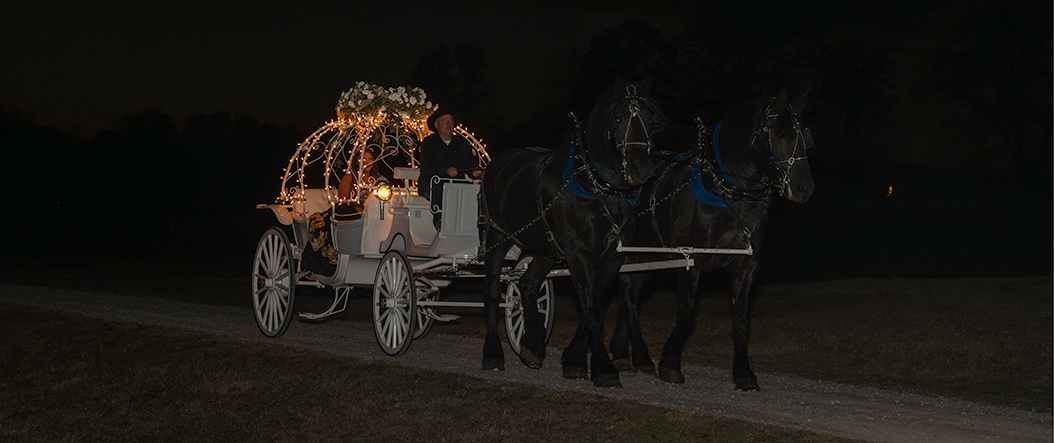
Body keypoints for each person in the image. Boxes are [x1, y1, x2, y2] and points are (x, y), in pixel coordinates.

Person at [418, 108, 482, 226]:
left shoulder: (461, 143)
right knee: (442, 188)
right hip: (432, 183)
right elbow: (427, 167)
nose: (449, 124)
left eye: (451, 121)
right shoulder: (429, 143)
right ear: (436, 125)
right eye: (444, 121)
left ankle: (472, 224)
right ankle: (440, 222)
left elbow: (470, 164)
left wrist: (475, 172)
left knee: (471, 192)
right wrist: (445, 171)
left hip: (457, 183)